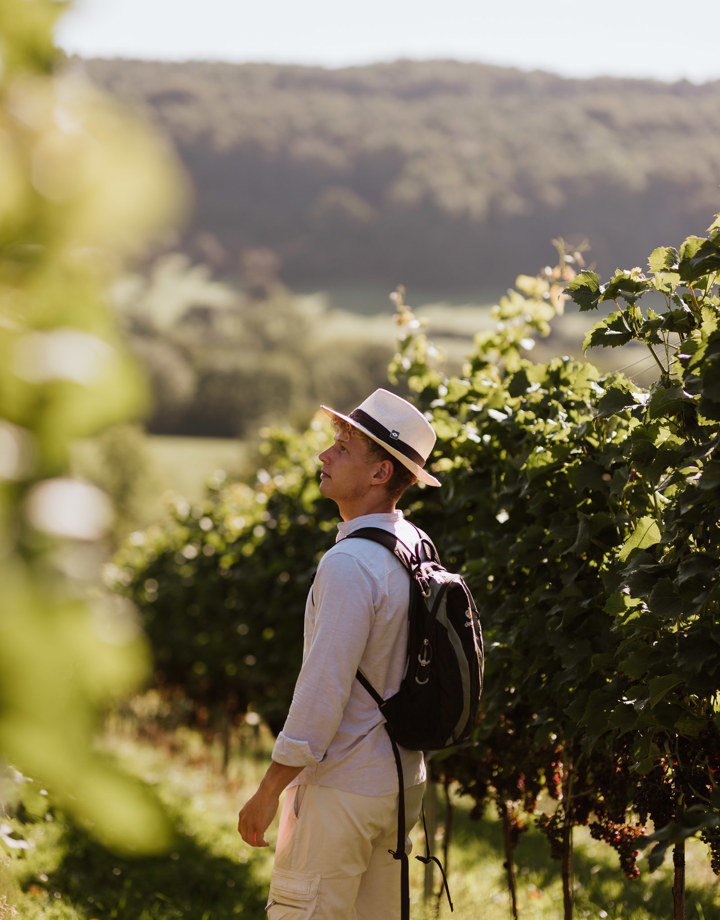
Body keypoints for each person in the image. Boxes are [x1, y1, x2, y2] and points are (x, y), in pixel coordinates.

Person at [237, 387, 441, 919]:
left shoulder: (350, 563)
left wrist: (269, 789)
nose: (325, 455)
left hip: (343, 790)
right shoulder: (416, 546)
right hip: (399, 786)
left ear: (380, 475)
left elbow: (321, 692)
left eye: (344, 448)